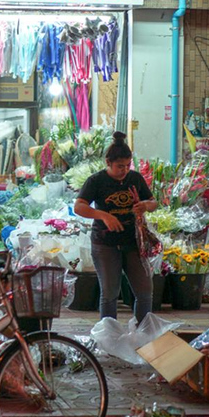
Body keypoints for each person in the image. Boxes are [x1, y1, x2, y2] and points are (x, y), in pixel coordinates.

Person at [74, 131, 157, 322]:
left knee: (145, 291)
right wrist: (102, 215)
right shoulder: (96, 181)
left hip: (133, 242)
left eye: (128, 165)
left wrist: (145, 206)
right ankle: (108, 336)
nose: (124, 170)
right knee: (110, 293)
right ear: (108, 163)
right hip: (105, 244)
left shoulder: (135, 178)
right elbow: (79, 206)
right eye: (120, 166)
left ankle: (143, 333)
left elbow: (153, 202)